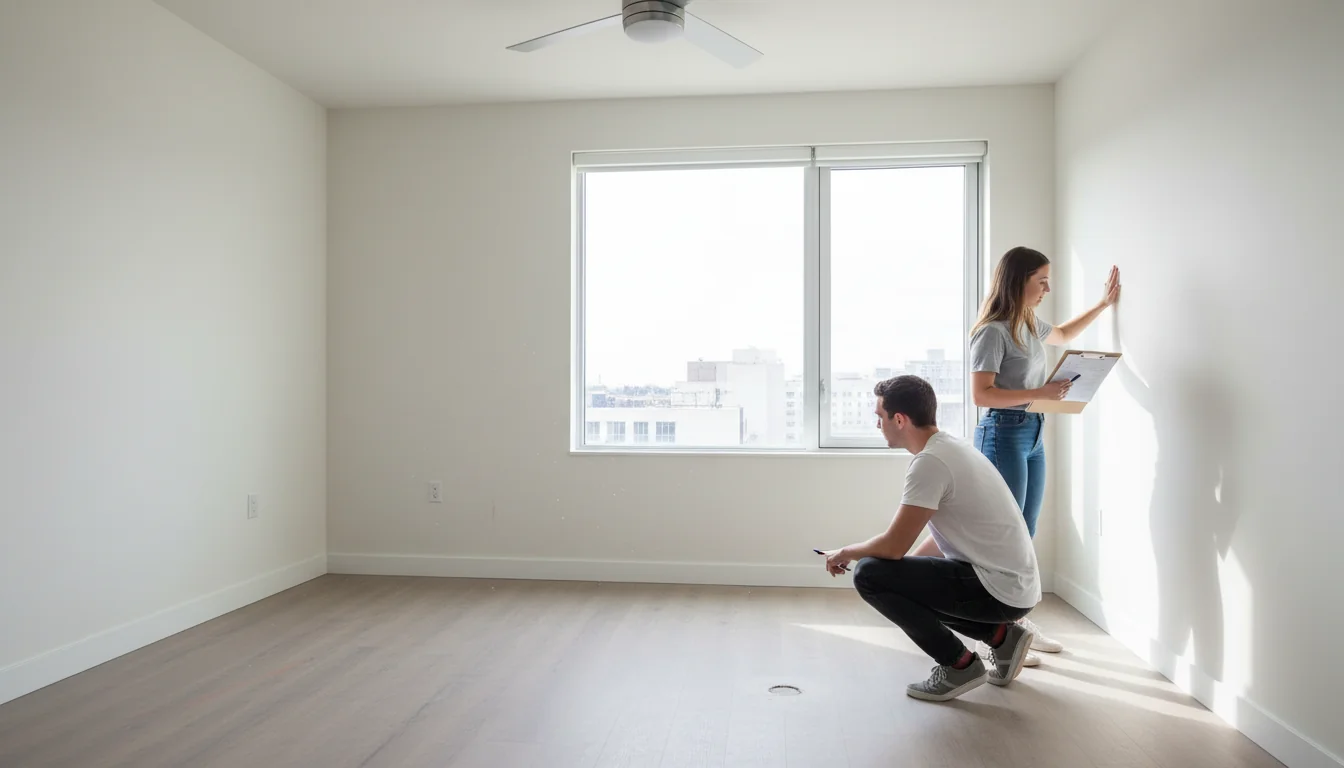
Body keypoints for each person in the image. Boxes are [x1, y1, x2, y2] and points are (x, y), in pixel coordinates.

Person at [820, 375, 1041, 702]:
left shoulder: (930, 463)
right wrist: (907, 575)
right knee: (899, 577)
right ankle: (1000, 637)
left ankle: (959, 665)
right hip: (1014, 589)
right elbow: (941, 541)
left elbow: (894, 547)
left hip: (999, 590)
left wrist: (846, 552)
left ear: (899, 419)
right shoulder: (950, 448)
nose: (877, 425)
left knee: (870, 575)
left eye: (879, 417)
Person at [969, 246, 1121, 663]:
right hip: (1001, 433)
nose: (1047, 288)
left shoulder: (1028, 323)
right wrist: (1039, 392)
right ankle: (990, 632)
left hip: (1033, 433)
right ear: (1018, 281)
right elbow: (981, 393)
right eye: (1042, 280)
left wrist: (1104, 305)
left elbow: (1066, 336)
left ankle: (1014, 621)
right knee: (1004, 536)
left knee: (1025, 530)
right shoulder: (993, 331)